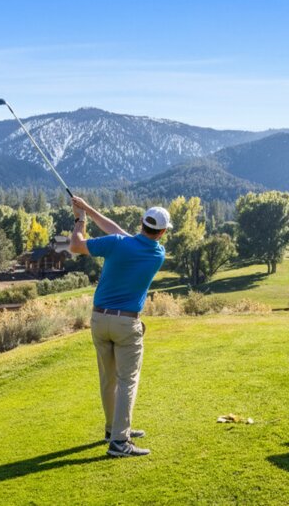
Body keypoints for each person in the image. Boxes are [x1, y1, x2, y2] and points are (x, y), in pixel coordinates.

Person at [69, 196, 171, 457]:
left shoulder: (118, 244)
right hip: (127, 323)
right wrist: (89, 210)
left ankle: (113, 429)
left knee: (108, 379)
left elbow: (76, 245)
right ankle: (119, 442)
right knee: (127, 381)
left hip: (99, 320)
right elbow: (119, 233)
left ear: (141, 223)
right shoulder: (157, 253)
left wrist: (80, 219)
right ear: (162, 232)